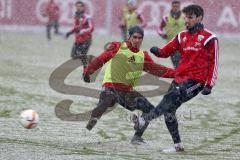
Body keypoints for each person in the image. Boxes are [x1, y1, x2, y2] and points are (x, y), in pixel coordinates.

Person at [133, 4, 219, 152]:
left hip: (195, 82)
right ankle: (178, 145)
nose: (187, 20)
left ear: (199, 18)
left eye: (190, 17)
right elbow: (167, 51)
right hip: (179, 79)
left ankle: (143, 120)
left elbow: (214, 63)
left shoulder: (209, 38)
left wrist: (209, 85)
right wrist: (157, 51)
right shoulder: (182, 36)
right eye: (186, 17)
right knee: (169, 111)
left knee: (172, 96)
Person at [83, 26, 175, 144]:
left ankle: (137, 137)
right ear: (129, 37)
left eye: (140, 38)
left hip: (127, 92)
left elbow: (159, 70)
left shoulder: (143, 55)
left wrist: (178, 74)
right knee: (104, 103)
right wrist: (88, 72)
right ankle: (89, 126)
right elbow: (101, 59)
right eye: (134, 37)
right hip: (110, 87)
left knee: (150, 110)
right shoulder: (118, 47)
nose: (137, 40)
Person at [65, 1, 94, 69]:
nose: (78, 8)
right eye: (77, 6)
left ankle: (86, 72)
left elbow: (91, 28)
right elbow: (76, 27)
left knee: (82, 55)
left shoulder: (87, 17)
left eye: (80, 6)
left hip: (86, 40)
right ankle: (90, 61)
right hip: (78, 40)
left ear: (83, 7)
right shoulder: (76, 17)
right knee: (73, 55)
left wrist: (83, 31)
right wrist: (70, 32)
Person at [157, 1, 185, 68]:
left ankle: (180, 76)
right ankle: (179, 76)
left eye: (177, 6)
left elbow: (190, 28)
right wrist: (162, 34)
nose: (176, 8)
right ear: (172, 6)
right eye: (174, 6)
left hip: (183, 45)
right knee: (176, 65)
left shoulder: (185, 17)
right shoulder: (166, 18)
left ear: (180, 6)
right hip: (171, 45)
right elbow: (159, 28)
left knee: (181, 65)